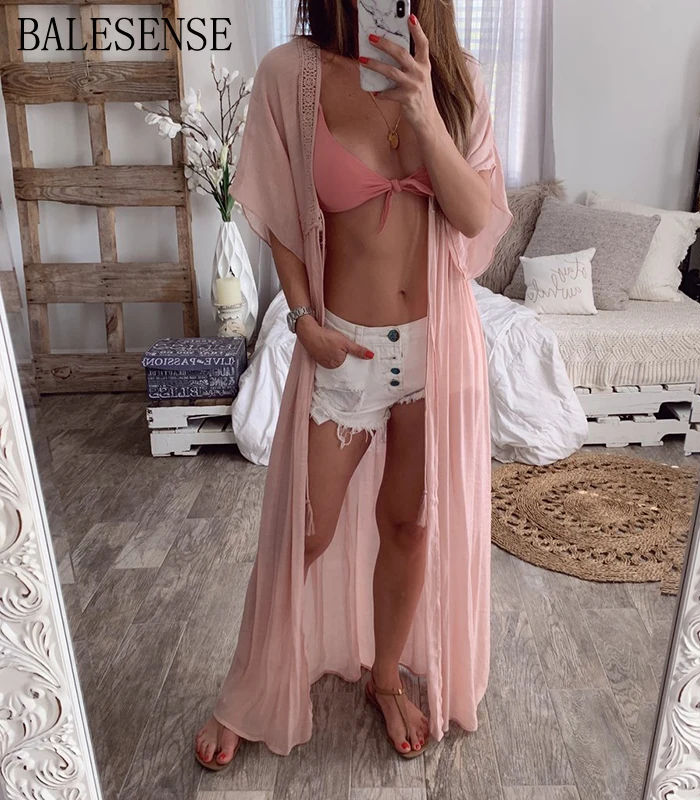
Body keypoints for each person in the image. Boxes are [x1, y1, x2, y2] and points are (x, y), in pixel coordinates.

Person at [195, 0, 511, 768]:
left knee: (410, 525)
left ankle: (386, 677)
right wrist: (302, 318)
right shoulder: (291, 74)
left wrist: (423, 110)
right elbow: (279, 211)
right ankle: (249, 690)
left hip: (439, 353)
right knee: (303, 531)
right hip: (345, 352)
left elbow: (475, 218)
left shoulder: (455, 78)